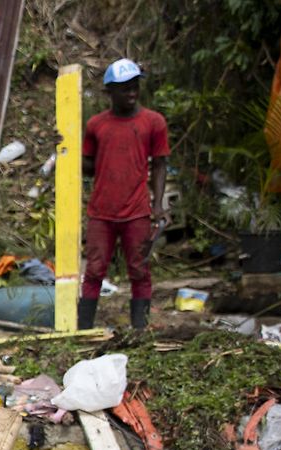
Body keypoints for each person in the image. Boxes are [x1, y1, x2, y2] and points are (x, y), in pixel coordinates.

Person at [80, 57, 170, 330]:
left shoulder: (153, 122)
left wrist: (158, 205)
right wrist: (66, 147)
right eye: (124, 88)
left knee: (139, 270)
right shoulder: (96, 125)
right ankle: (83, 330)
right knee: (94, 271)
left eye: (134, 87)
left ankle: (140, 332)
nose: (131, 93)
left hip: (137, 211)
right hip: (101, 212)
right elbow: (88, 166)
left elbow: (160, 165)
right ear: (110, 92)